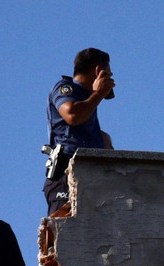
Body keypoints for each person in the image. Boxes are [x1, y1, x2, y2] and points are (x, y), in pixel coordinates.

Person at [44, 48, 116, 216]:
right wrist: (99, 93)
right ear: (99, 71)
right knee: (64, 233)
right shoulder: (65, 88)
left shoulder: (87, 100)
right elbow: (72, 115)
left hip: (91, 177)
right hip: (66, 176)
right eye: (108, 74)